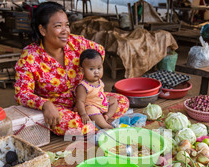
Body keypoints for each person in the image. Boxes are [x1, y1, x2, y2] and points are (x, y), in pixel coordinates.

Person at [14, 2, 129, 136]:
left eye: (67, 25)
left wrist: (90, 75)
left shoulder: (76, 43)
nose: (65, 31)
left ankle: (97, 123)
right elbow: (21, 93)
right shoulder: (30, 57)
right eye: (58, 26)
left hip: (87, 102)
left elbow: (100, 51)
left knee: (122, 101)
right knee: (74, 125)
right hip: (59, 109)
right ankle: (101, 123)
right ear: (43, 30)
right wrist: (45, 104)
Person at [75, 49, 117, 130]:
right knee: (92, 110)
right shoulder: (83, 86)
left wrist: (106, 100)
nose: (96, 72)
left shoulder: (99, 81)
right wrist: (83, 114)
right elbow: (80, 101)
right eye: (91, 69)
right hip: (91, 106)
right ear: (82, 70)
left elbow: (100, 93)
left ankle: (107, 116)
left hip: (101, 103)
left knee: (114, 100)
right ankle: (105, 126)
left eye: (99, 68)